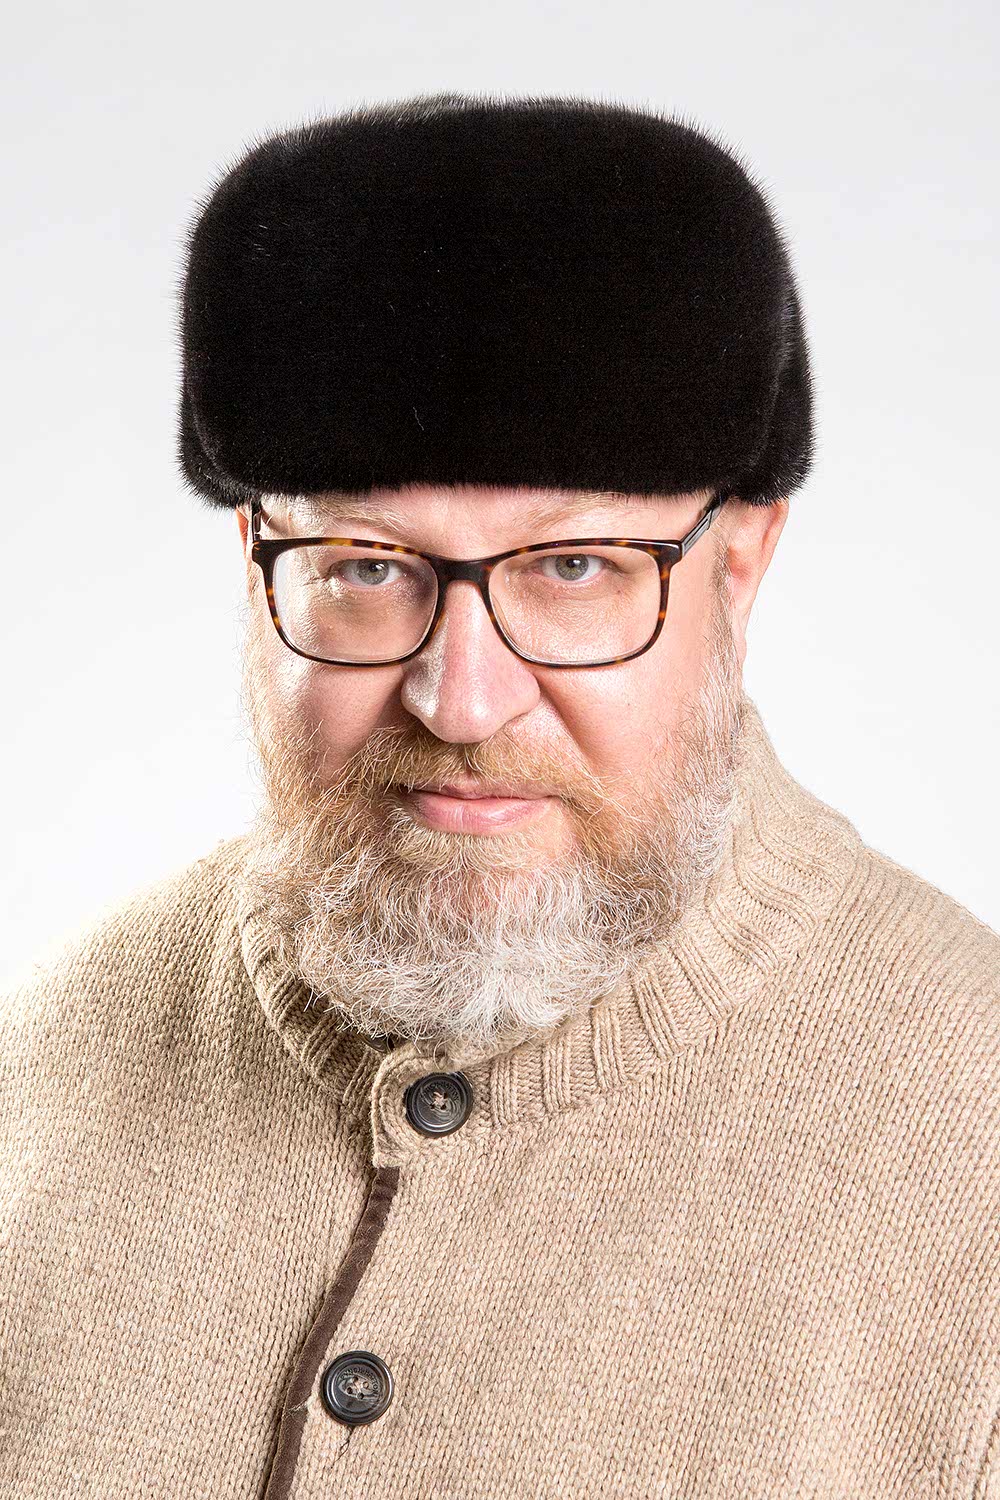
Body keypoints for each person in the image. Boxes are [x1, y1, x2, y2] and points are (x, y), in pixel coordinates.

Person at [1, 92, 997, 1499]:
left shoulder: (975, 1143)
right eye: (366, 568)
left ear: (740, 564)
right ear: (254, 560)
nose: (461, 701)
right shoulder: (38, 1076)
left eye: (573, 568)